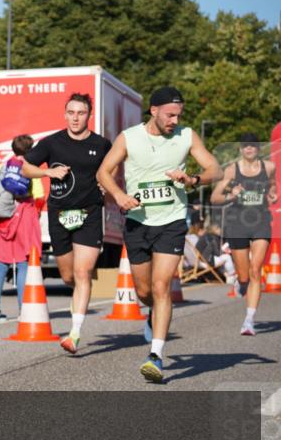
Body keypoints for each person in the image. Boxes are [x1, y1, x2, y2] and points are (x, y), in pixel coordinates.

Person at [97, 86, 221, 383]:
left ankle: (155, 355)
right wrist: (119, 195)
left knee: (162, 285)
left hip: (173, 220)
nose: (174, 121)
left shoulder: (187, 136)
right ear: (153, 110)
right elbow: (103, 171)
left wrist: (191, 178)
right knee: (144, 292)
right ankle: (154, 316)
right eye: (169, 115)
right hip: (138, 221)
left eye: (179, 115)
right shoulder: (129, 137)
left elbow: (214, 169)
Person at [21, 92, 111, 354]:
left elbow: (112, 167)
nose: (75, 118)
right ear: (65, 114)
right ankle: (79, 293)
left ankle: (75, 333)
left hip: (89, 212)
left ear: (89, 115)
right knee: (68, 275)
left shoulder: (102, 144)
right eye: (71, 112)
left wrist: (104, 184)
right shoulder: (52, 143)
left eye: (80, 113)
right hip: (59, 213)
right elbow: (26, 167)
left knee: (83, 273)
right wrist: (47, 171)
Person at [209, 132, 277, 335]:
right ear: (240, 149)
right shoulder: (232, 170)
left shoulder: (269, 168)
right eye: (246, 146)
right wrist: (231, 194)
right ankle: (242, 282)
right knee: (245, 275)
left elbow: (272, 186)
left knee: (256, 270)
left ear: (258, 149)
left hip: (261, 222)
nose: (249, 149)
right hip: (237, 224)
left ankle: (249, 320)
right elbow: (214, 198)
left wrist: (272, 194)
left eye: (253, 146)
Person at [0, 134, 44, 322]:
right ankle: (24, 310)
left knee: (0, 263)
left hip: (3, 218)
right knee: (24, 262)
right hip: (24, 215)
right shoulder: (30, 169)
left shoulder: (1, 167)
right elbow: (39, 195)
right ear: (31, 150)